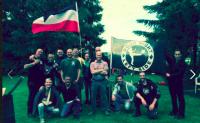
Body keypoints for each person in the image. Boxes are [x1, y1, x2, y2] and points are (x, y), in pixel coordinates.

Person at [24, 48, 45, 116]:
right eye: (39, 52)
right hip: (32, 82)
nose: (40, 53)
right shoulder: (31, 58)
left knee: (39, 97)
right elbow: (25, 67)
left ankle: (36, 111)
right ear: (36, 52)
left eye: (41, 52)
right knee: (32, 96)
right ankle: (29, 112)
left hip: (40, 82)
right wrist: (34, 63)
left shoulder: (42, 60)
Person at [165, 49, 186, 119]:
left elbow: (180, 73)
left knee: (181, 99)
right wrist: (167, 74)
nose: (177, 55)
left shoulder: (183, 63)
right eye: (176, 54)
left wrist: (170, 75)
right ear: (174, 55)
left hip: (179, 84)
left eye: (178, 54)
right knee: (173, 98)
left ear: (180, 55)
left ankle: (181, 114)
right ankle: (175, 110)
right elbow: (169, 70)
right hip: (171, 84)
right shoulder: (172, 63)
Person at [88, 51, 110, 116]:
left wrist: (96, 70)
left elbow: (106, 73)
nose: (99, 56)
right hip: (94, 81)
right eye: (98, 55)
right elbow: (92, 72)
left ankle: (105, 110)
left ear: (101, 56)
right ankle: (93, 110)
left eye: (100, 55)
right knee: (93, 96)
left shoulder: (105, 63)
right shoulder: (92, 63)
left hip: (103, 81)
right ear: (96, 56)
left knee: (104, 96)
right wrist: (101, 70)